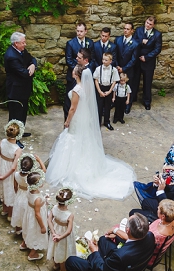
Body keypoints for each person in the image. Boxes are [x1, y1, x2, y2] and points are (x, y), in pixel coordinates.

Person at [46, 65, 135, 200]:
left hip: (77, 118)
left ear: (76, 74)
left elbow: (72, 109)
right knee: (83, 140)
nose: (73, 70)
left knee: (73, 139)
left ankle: (71, 168)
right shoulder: (86, 87)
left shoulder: (77, 89)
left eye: (74, 70)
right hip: (85, 116)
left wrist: (67, 121)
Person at [117, 199, 174, 271]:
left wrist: (116, 231)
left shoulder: (157, 235)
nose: (157, 208)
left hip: (147, 255)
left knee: (118, 235)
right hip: (153, 246)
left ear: (163, 216)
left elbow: (136, 242)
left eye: (158, 209)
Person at [4, 31, 36, 131]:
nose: (25, 44)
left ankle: (20, 131)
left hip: (24, 89)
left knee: (23, 112)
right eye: (23, 42)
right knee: (15, 115)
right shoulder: (11, 56)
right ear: (16, 43)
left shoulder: (22, 50)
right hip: (16, 90)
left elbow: (32, 59)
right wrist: (31, 70)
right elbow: (24, 73)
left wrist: (33, 65)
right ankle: (14, 137)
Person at [132, 16, 162, 110]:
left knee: (147, 82)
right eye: (147, 23)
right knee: (135, 81)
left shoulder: (157, 34)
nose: (148, 25)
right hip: (137, 60)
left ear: (153, 25)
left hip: (148, 61)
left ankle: (147, 101)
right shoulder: (139, 30)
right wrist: (141, 41)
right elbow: (133, 41)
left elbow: (157, 49)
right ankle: (133, 98)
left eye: (150, 24)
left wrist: (147, 57)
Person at [0, 120, 23, 213]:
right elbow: (13, 167)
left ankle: (4, 210)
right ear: (18, 134)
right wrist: (4, 176)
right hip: (9, 173)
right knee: (10, 190)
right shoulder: (18, 149)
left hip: (1, 167)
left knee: (2, 187)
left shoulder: (2, 142)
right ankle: (10, 214)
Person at [8, 153, 43, 232]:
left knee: (18, 211)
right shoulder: (30, 177)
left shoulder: (16, 174)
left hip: (19, 194)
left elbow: (15, 186)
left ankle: (17, 229)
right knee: (26, 213)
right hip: (28, 196)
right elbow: (43, 171)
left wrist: (18, 194)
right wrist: (39, 160)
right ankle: (26, 230)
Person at [64, 22, 91, 121]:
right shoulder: (70, 43)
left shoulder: (90, 43)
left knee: (83, 101)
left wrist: (86, 71)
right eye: (77, 31)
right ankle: (67, 122)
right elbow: (69, 60)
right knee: (69, 101)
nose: (79, 33)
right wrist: (78, 70)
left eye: (81, 31)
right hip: (73, 76)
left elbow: (92, 60)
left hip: (86, 77)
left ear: (85, 31)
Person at [47, 187, 77, 271]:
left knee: (54, 247)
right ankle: (63, 269)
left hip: (55, 230)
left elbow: (49, 220)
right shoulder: (69, 215)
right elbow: (68, 231)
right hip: (63, 235)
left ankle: (56, 264)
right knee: (62, 250)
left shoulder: (54, 208)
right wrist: (60, 237)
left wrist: (53, 233)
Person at [19, 171, 47, 262]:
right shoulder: (37, 198)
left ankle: (24, 244)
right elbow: (37, 214)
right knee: (35, 232)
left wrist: (44, 199)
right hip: (35, 218)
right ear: (37, 184)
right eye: (41, 181)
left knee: (28, 229)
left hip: (29, 214)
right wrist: (42, 226)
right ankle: (32, 254)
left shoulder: (29, 190)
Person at [114, 22, 140, 114]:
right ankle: (116, 103)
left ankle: (128, 105)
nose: (125, 30)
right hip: (118, 68)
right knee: (117, 86)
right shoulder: (118, 40)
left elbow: (134, 59)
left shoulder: (135, 44)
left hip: (128, 69)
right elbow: (115, 54)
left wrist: (124, 69)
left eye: (128, 29)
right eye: (124, 28)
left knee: (128, 88)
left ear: (132, 31)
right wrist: (117, 66)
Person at [92, 51, 119, 130]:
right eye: (103, 59)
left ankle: (107, 122)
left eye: (106, 60)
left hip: (109, 88)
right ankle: (98, 122)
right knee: (99, 106)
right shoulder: (98, 69)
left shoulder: (114, 70)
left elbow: (114, 81)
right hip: (100, 88)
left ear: (111, 61)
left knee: (108, 106)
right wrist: (99, 91)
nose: (104, 61)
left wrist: (110, 91)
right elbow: (96, 80)